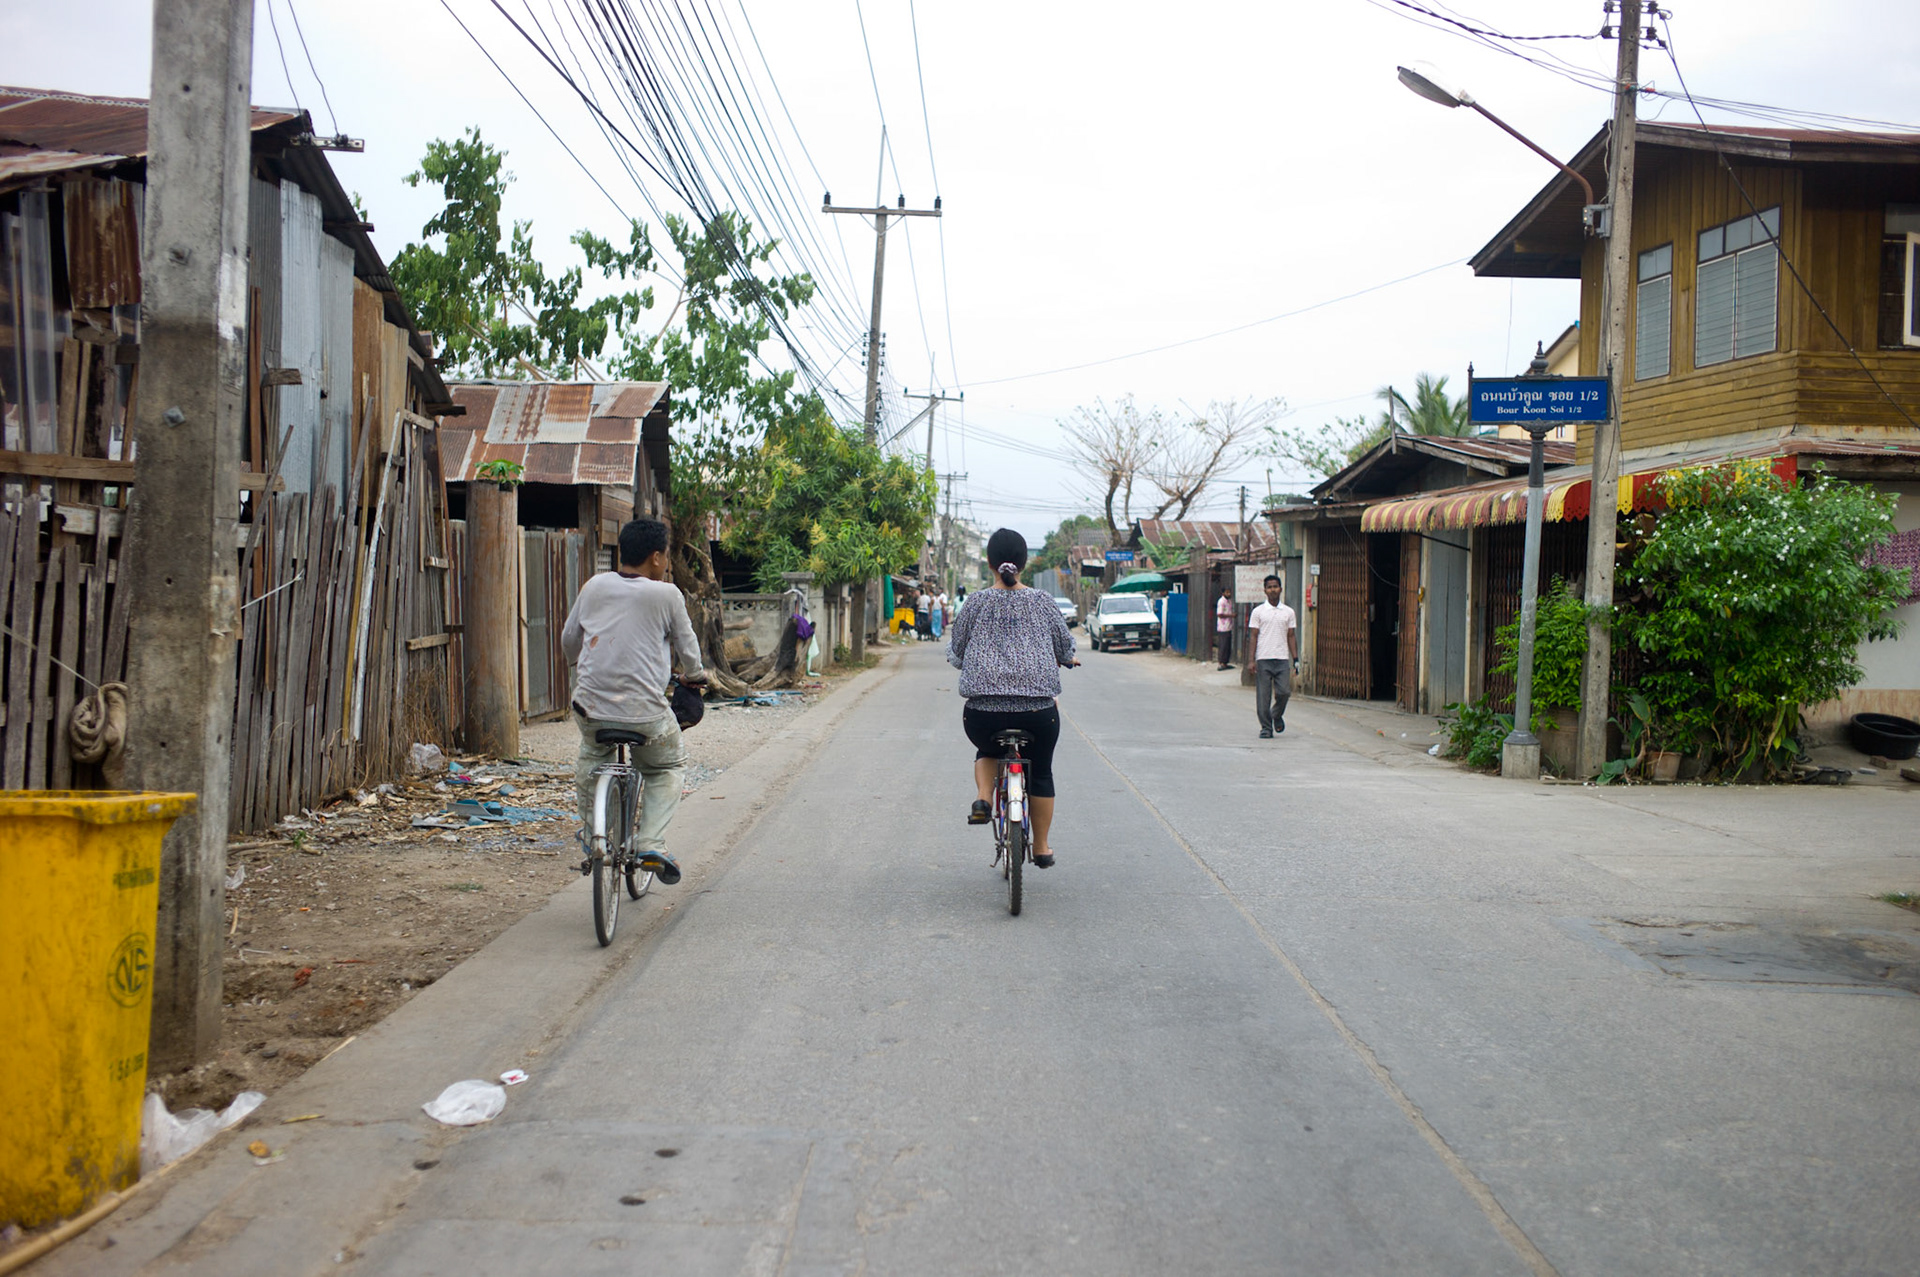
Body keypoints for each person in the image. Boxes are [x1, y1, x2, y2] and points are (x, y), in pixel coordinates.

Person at [560, 518, 705, 885]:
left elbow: (569, 640)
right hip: (645, 714)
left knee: (593, 756)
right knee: (667, 766)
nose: (667, 563)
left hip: (590, 709)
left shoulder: (594, 585)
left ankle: (593, 833)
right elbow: (689, 651)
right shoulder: (667, 594)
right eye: (667, 556)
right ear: (656, 557)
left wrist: (581, 663)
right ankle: (651, 842)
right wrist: (694, 676)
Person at [946, 529, 1077, 868]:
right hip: (1038, 713)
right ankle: (1042, 847)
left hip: (982, 715)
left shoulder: (974, 602)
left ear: (989, 562)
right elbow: (1064, 647)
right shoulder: (1043, 601)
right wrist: (1066, 658)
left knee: (987, 749)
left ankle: (982, 798)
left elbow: (957, 653)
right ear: (1024, 563)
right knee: (1042, 770)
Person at [1247, 574, 1299, 738]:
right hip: (1263, 658)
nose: (1272, 590)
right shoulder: (1258, 612)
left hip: (1282, 659)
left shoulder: (1288, 612)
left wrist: (1295, 659)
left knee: (1284, 693)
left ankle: (1275, 715)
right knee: (1263, 696)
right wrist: (1251, 660)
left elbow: (1291, 636)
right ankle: (1266, 728)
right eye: (1269, 587)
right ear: (1265, 590)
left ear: (1281, 589)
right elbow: (1254, 636)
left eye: (1275, 586)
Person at [1215, 586, 1236, 669]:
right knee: (1223, 646)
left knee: (1227, 646)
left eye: (1229, 592)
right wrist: (1231, 615)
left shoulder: (1229, 601)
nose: (1229, 594)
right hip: (1223, 627)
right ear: (1223, 593)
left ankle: (1225, 663)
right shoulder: (1221, 601)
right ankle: (1220, 663)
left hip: (1228, 626)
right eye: (1227, 592)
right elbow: (1219, 614)